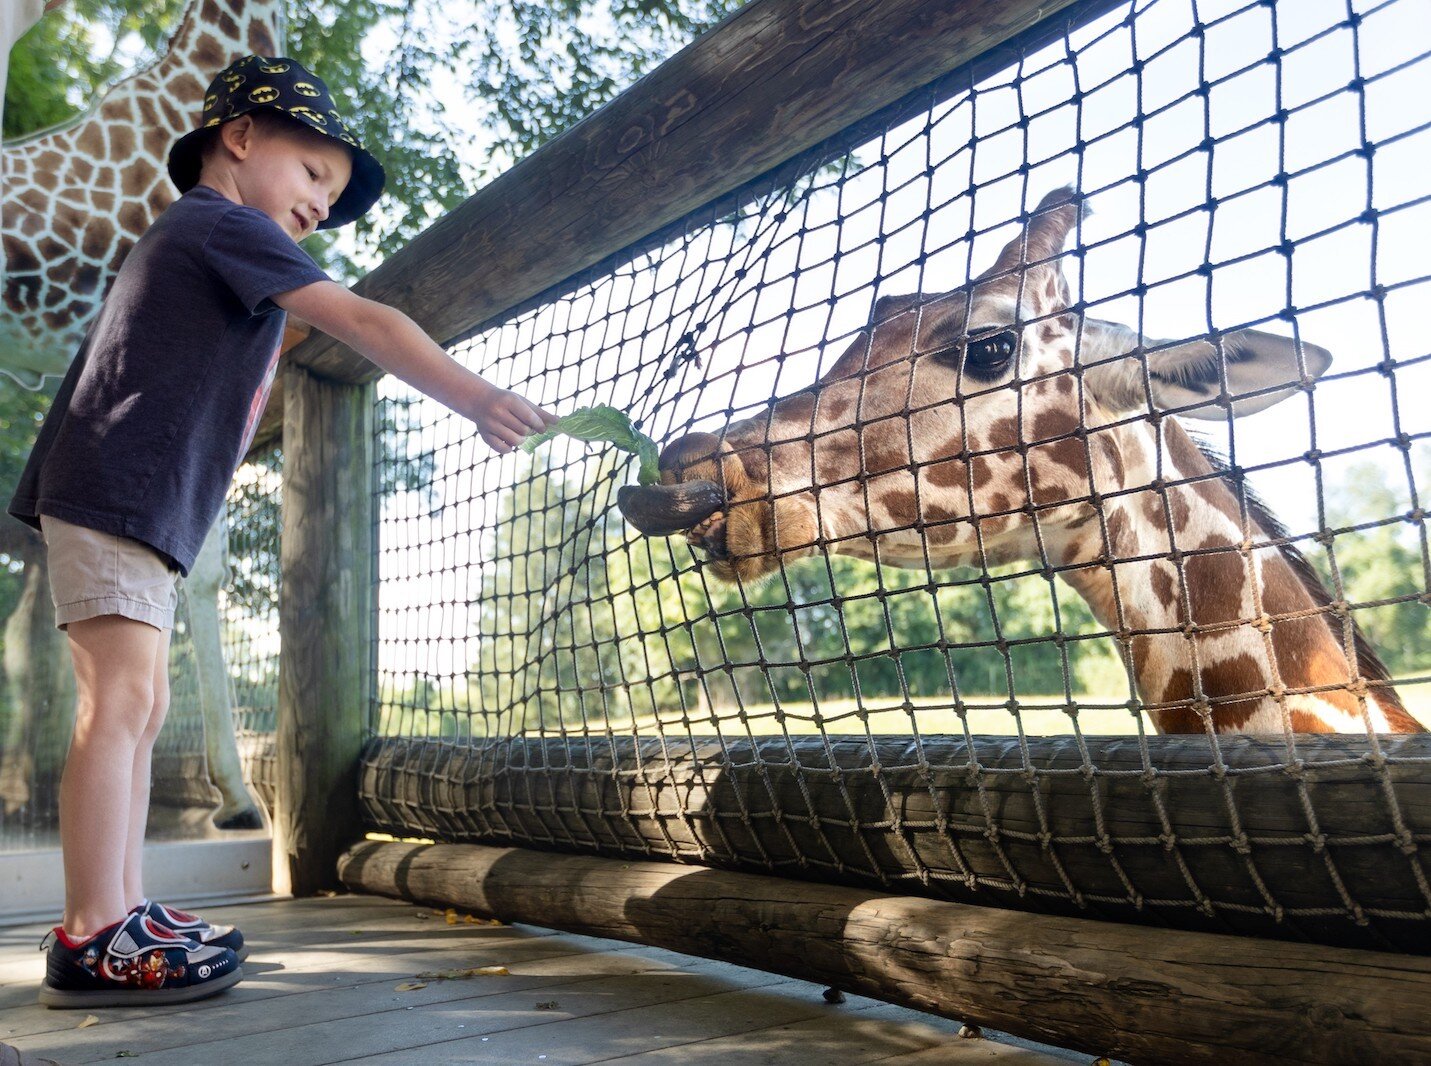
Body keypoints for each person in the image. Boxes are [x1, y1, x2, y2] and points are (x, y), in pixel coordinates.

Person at [6, 54, 557, 1008]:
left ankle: (123, 907)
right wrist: (475, 396)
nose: (320, 205)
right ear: (241, 137)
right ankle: (93, 931)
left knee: (138, 705)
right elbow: (356, 316)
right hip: (118, 490)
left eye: (333, 195)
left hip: (132, 498)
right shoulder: (221, 223)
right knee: (123, 706)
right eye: (313, 174)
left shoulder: (213, 240)